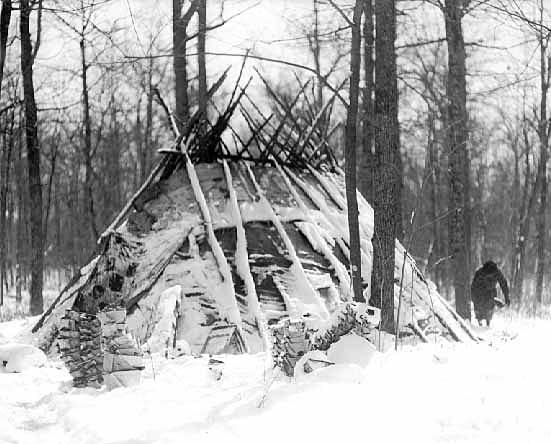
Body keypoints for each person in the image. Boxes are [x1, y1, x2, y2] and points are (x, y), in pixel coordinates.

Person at [471, 261, 510, 327]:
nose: (490, 275)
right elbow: (473, 286)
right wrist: (473, 298)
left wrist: (507, 297)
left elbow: (503, 284)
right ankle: (480, 322)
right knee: (479, 308)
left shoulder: (497, 272)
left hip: (491, 292)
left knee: (489, 308)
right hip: (479, 292)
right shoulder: (480, 272)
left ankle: (487, 322)